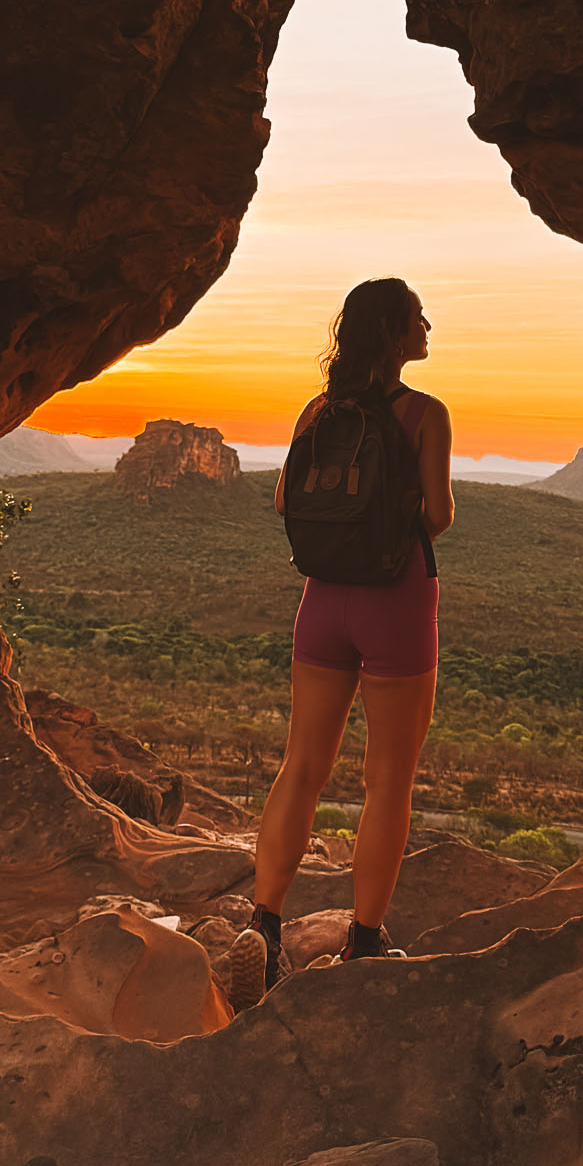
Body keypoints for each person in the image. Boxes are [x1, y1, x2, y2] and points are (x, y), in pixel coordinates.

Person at [229, 277, 454, 1009]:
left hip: (322, 601)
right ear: (394, 333)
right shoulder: (425, 413)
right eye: (418, 317)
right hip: (397, 603)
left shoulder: (316, 411)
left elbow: (283, 500)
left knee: (301, 766)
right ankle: (364, 941)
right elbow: (439, 517)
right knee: (388, 780)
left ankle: (263, 929)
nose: (428, 327)